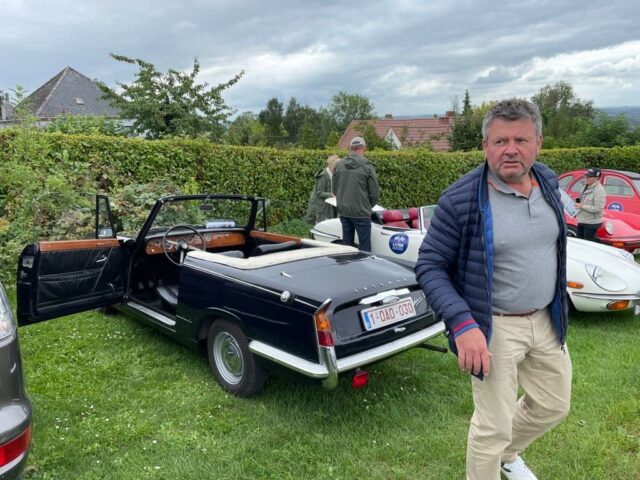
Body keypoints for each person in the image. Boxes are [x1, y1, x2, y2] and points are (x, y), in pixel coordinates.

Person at [415, 99, 571, 480]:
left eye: (521, 140)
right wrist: (462, 323)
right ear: (485, 145)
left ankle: (507, 455)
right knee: (492, 426)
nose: (510, 150)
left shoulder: (548, 182)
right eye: (500, 141)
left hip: (546, 319)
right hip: (492, 325)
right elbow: (430, 265)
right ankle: (493, 457)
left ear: (538, 143)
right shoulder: (461, 199)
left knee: (554, 404)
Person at [332, 136, 379, 252]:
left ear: (350, 148)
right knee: (364, 247)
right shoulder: (367, 166)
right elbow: (374, 193)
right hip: (361, 212)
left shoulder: (339, 165)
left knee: (347, 246)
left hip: (344, 211)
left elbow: (334, 189)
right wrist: (367, 206)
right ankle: (363, 264)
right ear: (363, 148)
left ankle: (347, 264)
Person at [304, 155, 341, 224]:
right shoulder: (323, 175)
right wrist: (331, 195)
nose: (337, 169)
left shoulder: (334, 174)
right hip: (321, 206)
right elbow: (319, 192)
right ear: (330, 165)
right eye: (336, 167)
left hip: (330, 204)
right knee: (322, 225)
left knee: (331, 223)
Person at [575, 167, 606, 241]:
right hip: (582, 220)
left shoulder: (599, 190)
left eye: (589, 176)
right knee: (579, 243)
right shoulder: (586, 186)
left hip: (591, 223)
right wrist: (577, 203)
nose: (586, 178)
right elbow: (583, 201)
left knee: (587, 245)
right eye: (586, 176)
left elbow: (598, 208)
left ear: (597, 178)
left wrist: (582, 206)